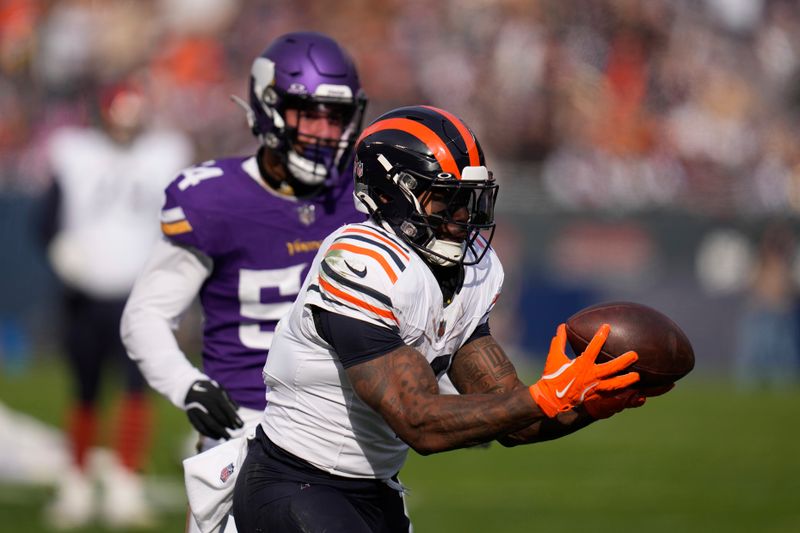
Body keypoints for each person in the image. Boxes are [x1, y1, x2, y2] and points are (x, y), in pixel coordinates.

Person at [231, 105, 656, 532]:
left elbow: (511, 418)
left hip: (375, 492)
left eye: (468, 200)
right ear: (391, 193)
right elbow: (419, 422)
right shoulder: (361, 260)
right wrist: (546, 395)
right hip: (294, 481)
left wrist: (583, 404)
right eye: (445, 197)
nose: (462, 217)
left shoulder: (472, 270)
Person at [120, 31, 368, 532]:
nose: (324, 131)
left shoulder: (362, 197)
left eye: (336, 116)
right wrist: (187, 383)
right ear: (269, 108)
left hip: (349, 436)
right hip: (246, 429)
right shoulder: (215, 199)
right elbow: (145, 316)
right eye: (309, 112)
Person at [40, 78, 194, 529]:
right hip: (84, 292)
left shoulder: (165, 153)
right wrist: (59, 248)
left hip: (140, 293)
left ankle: (126, 482)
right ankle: (78, 482)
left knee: (135, 388)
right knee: (84, 388)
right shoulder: (75, 152)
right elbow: (45, 219)